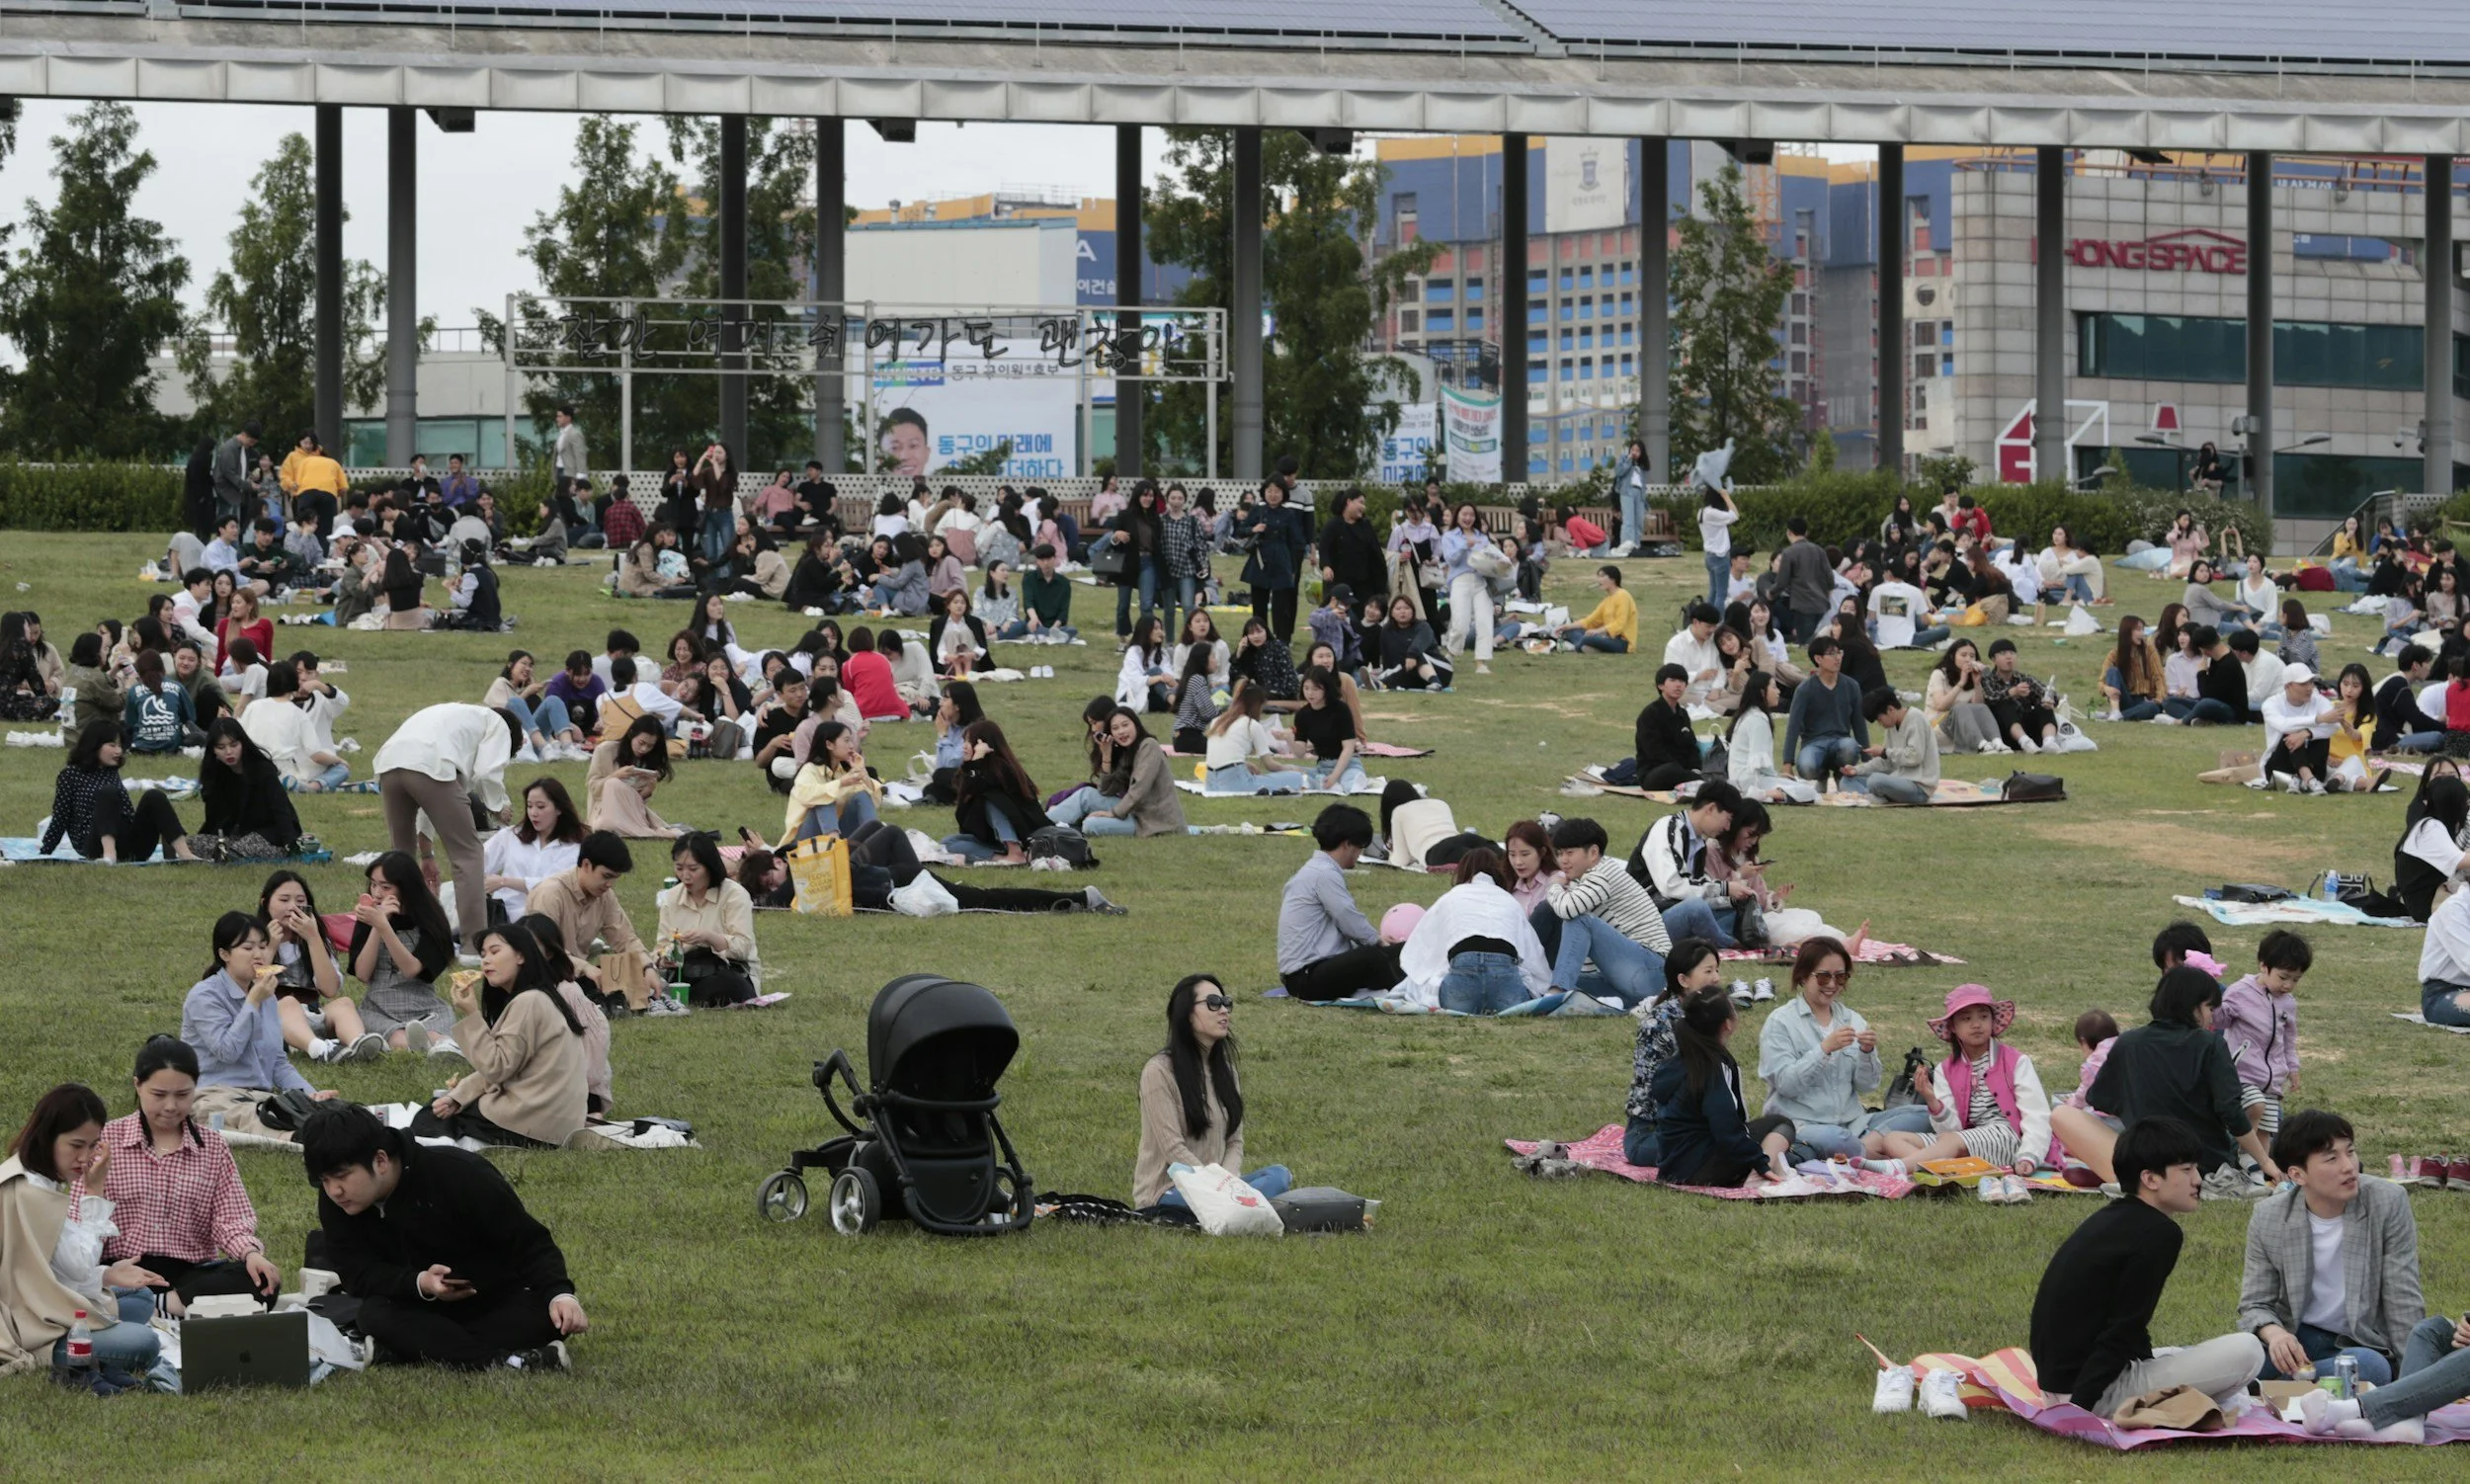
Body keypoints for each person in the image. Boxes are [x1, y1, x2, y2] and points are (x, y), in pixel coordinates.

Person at [300, 1105, 586, 1371]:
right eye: (324, 1181)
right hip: (411, 1305)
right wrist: (420, 1283)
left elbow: (528, 1241)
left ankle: (409, 1351)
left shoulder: (459, 1174)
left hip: (490, 1299)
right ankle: (504, 1361)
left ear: (380, 1160)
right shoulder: (338, 1202)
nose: (334, 1191)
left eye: (342, 1176)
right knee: (374, 1316)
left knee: (546, 1318)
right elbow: (357, 1275)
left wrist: (560, 1294)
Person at [2028, 1117, 2265, 1418]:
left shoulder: (2114, 1216)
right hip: (2093, 1391)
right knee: (2248, 1350)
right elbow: (2125, 1328)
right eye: (2186, 1169)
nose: (2198, 1179)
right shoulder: (2159, 1233)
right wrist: (2079, 1410)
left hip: (2059, 1383)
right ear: (2151, 1179)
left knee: (2181, 1353)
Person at [2050, 967, 2284, 1196]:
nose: (2212, 1017)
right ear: (2193, 1006)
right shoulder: (2210, 1044)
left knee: (2061, 1114)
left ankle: (2123, 1177)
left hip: (2148, 1161)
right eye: (2209, 1007)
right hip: (2203, 1164)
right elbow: (2231, 1112)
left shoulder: (2128, 1043)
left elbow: (2100, 1100)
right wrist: (2264, 1162)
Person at [1, 1084, 178, 1386]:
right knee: (143, 1342)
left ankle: (97, 1332)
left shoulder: (32, 1176)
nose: (85, 1157)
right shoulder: (31, 1193)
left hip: (41, 1299)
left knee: (140, 1296)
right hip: (29, 1323)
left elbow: (50, 1270)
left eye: (93, 1145)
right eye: (76, 1145)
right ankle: (58, 1352)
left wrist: (107, 1275)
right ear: (47, 1138)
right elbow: (76, 1267)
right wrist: (95, 1192)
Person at [2235, 1109, 2420, 1392]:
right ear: (2297, 1174)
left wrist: (2414, 1379)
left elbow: (2402, 1297)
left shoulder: (2387, 1202)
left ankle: (2268, 1388)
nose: (2349, 1166)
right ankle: (2283, 1383)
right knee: (2241, 1356)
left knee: (2370, 1368)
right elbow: (2255, 1304)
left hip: (2359, 1343)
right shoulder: (2270, 1216)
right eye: (2332, 1158)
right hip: (2296, 1338)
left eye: (2351, 1152)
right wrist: (2276, 1336)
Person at [99, 1036, 284, 1314]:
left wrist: (251, 1253)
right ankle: (167, 1307)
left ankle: (158, 1307)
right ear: (138, 1085)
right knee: (76, 1281)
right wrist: (106, 1274)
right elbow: (83, 1218)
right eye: (159, 1095)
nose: (171, 1106)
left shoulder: (212, 1147)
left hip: (187, 1277)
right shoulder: (107, 1140)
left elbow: (230, 1218)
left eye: (183, 1094)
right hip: (123, 1270)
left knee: (262, 1283)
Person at [1753, 936, 1930, 1164]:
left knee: (1925, 1115)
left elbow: (1868, 1086)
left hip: (1856, 1124)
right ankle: (1880, 1155)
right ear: (1804, 975)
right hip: (1804, 1124)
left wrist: (1867, 1053)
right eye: (1824, 976)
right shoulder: (1781, 1022)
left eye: (1841, 976)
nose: (1833, 985)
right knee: (1836, 1138)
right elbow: (1786, 1085)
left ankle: (1866, 1149)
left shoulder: (1852, 1019)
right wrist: (1824, 1049)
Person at [411, 923, 589, 1149]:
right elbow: (507, 1066)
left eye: (495, 952)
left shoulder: (529, 1001)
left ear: (521, 956)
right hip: (555, 1123)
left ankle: (447, 1148)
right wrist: (459, 1096)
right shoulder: (541, 997)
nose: (485, 960)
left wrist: (471, 1014)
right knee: (443, 1106)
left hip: (534, 1124)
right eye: (483, 955)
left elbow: (496, 1068)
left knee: (429, 1115)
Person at [1866, 986, 2057, 1192]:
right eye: (1966, 1019)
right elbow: (1952, 1129)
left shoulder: (2016, 1061)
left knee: (1950, 1141)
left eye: (1983, 1017)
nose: (1976, 1024)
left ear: (1992, 1022)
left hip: (2008, 1137)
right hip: (1966, 1140)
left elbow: (2037, 1115)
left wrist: (2029, 1155)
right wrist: (1932, 1100)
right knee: (1892, 1139)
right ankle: (1955, 1172)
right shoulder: (1945, 1070)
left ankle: (1898, 1167)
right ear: (1953, 1027)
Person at [1133, 975, 1290, 1212]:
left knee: (1279, 1175)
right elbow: (1172, 1149)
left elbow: (1234, 1142)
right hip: (1170, 1192)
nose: (1224, 1010)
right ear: (1187, 1013)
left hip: (1219, 1188)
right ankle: (1241, 1206)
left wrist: (1227, 1185)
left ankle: (1232, 1206)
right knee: (1242, 1199)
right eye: (1213, 1003)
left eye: (1226, 1003)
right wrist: (1216, 1187)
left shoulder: (1227, 1072)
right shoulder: (1158, 1071)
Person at [374, 703, 520, 955]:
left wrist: (427, 855)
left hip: (389, 764)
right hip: (427, 765)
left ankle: (398, 934)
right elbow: (486, 773)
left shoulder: (458, 720)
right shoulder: (496, 724)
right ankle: (474, 947)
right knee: (468, 855)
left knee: (401, 859)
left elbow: (436, 794)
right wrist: (498, 805)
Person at [182, 911, 340, 1138]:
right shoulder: (205, 996)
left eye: (264, 947)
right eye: (248, 948)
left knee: (327, 1110)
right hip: (214, 1095)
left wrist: (310, 1096)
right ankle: (300, 1139)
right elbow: (227, 1052)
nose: (259, 955)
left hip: (260, 1097)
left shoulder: (265, 996)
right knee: (258, 1118)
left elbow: (277, 1063)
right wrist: (253, 1001)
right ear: (224, 954)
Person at [1651, 990, 1794, 1188]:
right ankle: (1758, 1176)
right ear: (1727, 1024)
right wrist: (1760, 1163)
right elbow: (1726, 1129)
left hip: (1670, 1168)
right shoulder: (1713, 1067)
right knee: (1782, 1123)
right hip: (1702, 1170)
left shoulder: (1675, 1062)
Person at [1529, 816, 1673, 1008]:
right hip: (1629, 978)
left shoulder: (1602, 874)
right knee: (1546, 981)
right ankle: (1554, 991)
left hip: (1652, 971)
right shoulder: (1585, 879)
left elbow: (1568, 909)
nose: (1563, 860)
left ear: (1593, 852)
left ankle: (1558, 993)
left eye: (1570, 853)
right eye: (1560, 853)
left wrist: (1553, 886)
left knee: (1578, 919)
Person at [1393, 848, 1551, 1014]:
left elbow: (1420, 950)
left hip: (1460, 990)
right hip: (1506, 992)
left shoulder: (1451, 898)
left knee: (1418, 984)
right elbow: (1534, 957)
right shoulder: (1510, 902)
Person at [1276, 805, 1403, 1001]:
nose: (1360, 853)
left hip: (1317, 969)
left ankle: (1399, 984)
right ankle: (1404, 992)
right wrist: (1378, 941)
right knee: (1372, 957)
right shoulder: (1323, 874)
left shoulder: (1319, 870)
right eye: (1361, 846)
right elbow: (1348, 918)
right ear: (1347, 844)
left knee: (1403, 951)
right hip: (1305, 978)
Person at [347, 852, 460, 1056]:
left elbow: (411, 969)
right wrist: (376, 925)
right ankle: (421, 1046)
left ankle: (444, 1046)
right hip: (377, 1006)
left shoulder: (430, 920)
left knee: (439, 1025)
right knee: (390, 1033)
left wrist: (385, 928)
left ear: (406, 888)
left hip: (423, 1004)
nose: (377, 893)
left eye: (385, 886)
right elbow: (363, 974)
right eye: (373, 884)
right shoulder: (368, 917)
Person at [42, 718, 199, 863]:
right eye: (112, 745)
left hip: (130, 847)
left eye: (120, 746)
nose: (118, 751)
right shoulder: (70, 775)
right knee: (108, 792)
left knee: (154, 795)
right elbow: (60, 817)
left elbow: (127, 813)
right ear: (94, 745)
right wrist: (45, 852)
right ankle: (109, 856)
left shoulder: (111, 772)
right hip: (94, 846)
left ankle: (185, 855)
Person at [526, 833, 656, 997]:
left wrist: (647, 966)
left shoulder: (605, 896)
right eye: (606, 876)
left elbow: (625, 939)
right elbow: (542, 950)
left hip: (579, 975)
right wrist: (585, 968)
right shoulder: (550, 893)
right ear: (586, 865)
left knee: (631, 971)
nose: (610, 884)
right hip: (547, 977)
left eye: (615, 878)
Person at [1625, 782, 1749, 948]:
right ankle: (1725, 943)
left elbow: (1696, 889)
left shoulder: (1698, 844)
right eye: (1728, 820)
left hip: (1669, 913)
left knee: (1728, 909)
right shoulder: (1668, 827)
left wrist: (1732, 898)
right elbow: (1671, 886)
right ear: (1711, 809)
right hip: (1642, 923)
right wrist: (1724, 888)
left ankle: (1705, 940)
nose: (1727, 828)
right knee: (1696, 908)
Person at [656, 834, 760, 1006]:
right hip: (685, 971)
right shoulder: (672, 898)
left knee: (730, 986)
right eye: (679, 868)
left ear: (709, 867)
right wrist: (664, 958)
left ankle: (683, 998)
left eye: (693, 869)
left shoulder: (734, 895)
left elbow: (743, 948)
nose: (685, 876)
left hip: (728, 969)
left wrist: (709, 937)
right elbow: (660, 948)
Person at [195, 717, 302, 861]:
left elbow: (280, 809)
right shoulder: (216, 774)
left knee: (240, 849)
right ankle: (228, 853)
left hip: (270, 832)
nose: (228, 752)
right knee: (192, 844)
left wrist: (290, 843)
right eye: (221, 747)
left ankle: (233, 854)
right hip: (238, 834)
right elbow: (214, 818)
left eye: (234, 745)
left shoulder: (263, 770)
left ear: (243, 744)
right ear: (213, 750)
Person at [946, 719, 1050, 866]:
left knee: (990, 800)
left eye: (969, 741)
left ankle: (1015, 851)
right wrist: (972, 765)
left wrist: (976, 761)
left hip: (1023, 836)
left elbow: (978, 789)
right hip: (993, 838)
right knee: (948, 843)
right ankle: (1003, 859)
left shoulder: (1001, 769)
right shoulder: (972, 771)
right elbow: (963, 812)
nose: (964, 746)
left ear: (983, 744)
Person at [483, 778, 586, 923]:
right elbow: (478, 863)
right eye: (529, 806)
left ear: (559, 809)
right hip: (503, 916)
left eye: (541, 807)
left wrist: (504, 882)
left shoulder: (573, 847)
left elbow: (553, 887)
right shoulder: (511, 835)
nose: (533, 813)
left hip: (548, 919)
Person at [1781, 635, 1867, 784]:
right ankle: (1821, 775)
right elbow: (1793, 726)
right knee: (1806, 767)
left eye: (1839, 652)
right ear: (1818, 659)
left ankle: (1841, 774)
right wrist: (1787, 763)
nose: (1837, 658)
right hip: (1813, 743)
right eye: (1831, 654)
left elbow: (1859, 725)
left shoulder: (1851, 686)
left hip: (1840, 741)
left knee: (1851, 747)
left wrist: (1868, 763)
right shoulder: (1805, 689)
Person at [1239, 477, 1309, 641]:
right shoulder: (1257, 510)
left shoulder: (1288, 514)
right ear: (1264, 492)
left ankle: (1282, 641)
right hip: (1260, 562)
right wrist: (1253, 528)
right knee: (1259, 606)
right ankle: (1258, 639)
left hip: (1281, 562)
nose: (1273, 495)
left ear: (1283, 493)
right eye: (1269, 491)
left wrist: (1293, 567)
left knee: (1281, 607)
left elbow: (1297, 541)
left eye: (1277, 491)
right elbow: (1240, 530)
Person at [1203, 681, 1305, 793]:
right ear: (1258, 705)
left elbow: (1221, 757)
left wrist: (1244, 765)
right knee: (1295, 778)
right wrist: (1292, 769)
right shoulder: (1251, 724)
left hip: (1211, 782)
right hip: (1237, 783)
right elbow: (1271, 765)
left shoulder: (1216, 721)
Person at [1843, 687, 1938, 805]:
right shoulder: (1892, 726)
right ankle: (1872, 797)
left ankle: (1870, 796)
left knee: (1875, 780)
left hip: (1917, 786)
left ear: (1890, 709)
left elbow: (1915, 756)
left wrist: (1885, 752)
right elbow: (1886, 762)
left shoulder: (1915, 718)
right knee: (1847, 780)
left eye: (1879, 719)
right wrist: (1857, 770)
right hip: (1897, 779)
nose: (1880, 724)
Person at [2394, 775, 2469, 923]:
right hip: (2428, 905)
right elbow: (2462, 860)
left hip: (2429, 898)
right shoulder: (2430, 828)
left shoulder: (2428, 823)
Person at [1439, 502, 1501, 675]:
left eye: (1471, 515)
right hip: (1460, 580)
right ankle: (1451, 653)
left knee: (1485, 621)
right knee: (1460, 622)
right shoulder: (1449, 536)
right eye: (1464, 514)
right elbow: (1451, 560)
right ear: (1457, 515)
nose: (1468, 518)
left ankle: (1481, 662)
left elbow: (1489, 557)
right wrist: (1466, 545)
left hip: (1481, 581)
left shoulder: (1482, 536)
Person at [1629, 664, 1702, 790]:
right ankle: (1698, 781)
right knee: (1670, 770)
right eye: (1673, 680)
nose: (1678, 685)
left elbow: (1691, 746)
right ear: (1661, 685)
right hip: (1654, 772)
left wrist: (1695, 768)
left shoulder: (1683, 714)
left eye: (1681, 681)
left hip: (1682, 771)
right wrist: (1680, 768)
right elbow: (1654, 751)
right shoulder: (1650, 714)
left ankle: (1696, 780)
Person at [1552, 565, 1638, 654]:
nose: (1599, 580)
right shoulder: (1607, 600)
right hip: (1606, 637)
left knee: (1588, 638)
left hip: (1621, 642)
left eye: (1602, 576)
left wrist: (1597, 631)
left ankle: (1579, 647)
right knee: (1570, 631)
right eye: (1598, 577)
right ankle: (1588, 647)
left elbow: (1620, 624)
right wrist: (1566, 626)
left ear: (1613, 579)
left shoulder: (1623, 595)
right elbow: (1590, 621)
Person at [1021, 543, 1078, 642]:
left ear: (1054, 559)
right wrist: (1034, 618)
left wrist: (1055, 628)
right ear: (1037, 561)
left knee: (1072, 630)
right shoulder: (1029, 578)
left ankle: (1054, 634)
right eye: (1042, 560)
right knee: (1032, 627)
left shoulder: (1064, 583)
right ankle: (1054, 635)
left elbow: (1063, 611)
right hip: (1036, 624)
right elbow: (1028, 601)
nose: (1046, 563)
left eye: (1049, 559)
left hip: (1057, 626)